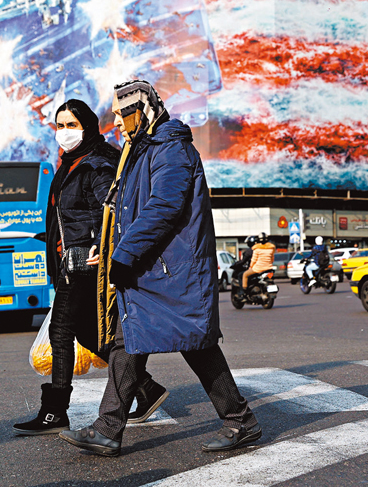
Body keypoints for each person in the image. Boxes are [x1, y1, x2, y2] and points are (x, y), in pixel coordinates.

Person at [59, 80, 260, 457]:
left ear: (140, 111)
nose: (116, 123)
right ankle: (108, 428)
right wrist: (112, 250)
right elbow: (128, 213)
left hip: (170, 270)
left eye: (121, 115)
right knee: (128, 341)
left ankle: (241, 420)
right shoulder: (142, 149)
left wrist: (121, 254)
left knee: (194, 344)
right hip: (151, 268)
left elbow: (163, 207)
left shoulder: (170, 148)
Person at [13, 99, 167, 436]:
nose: (64, 133)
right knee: (90, 334)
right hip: (72, 261)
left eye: (71, 125)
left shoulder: (96, 162)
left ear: (87, 126)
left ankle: (55, 411)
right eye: (59, 125)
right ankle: (145, 388)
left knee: (61, 332)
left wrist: (103, 242)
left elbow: (108, 206)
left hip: (86, 263)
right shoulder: (70, 164)